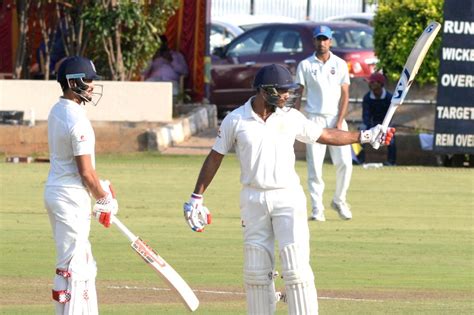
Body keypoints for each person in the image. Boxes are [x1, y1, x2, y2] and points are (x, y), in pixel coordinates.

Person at [182, 64, 394, 315]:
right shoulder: (236, 119)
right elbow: (215, 157)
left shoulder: (291, 117)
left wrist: (365, 136)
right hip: (252, 199)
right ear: (264, 91)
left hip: (287, 197)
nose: (286, 96)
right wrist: (197, 196)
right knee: (256, 272)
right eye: (281, 91)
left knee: (296, 269)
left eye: (287, 91)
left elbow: (325, 134)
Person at [44, 56, 119, 315]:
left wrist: (102, 188)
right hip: (71, 197)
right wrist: (104, 198)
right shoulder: (77, 121)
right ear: (73, 82)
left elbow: (79, 168)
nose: (91, 86)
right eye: (88, 80)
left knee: (78, 261)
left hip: (59, 191)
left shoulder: (58, 109)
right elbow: (85, 172)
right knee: (74, 266)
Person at [294, 25, 353, 222]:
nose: (322, 43)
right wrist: (294, 118)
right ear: (314, 41)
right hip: (314, 119)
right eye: (319, 39)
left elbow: (345, 94)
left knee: (345, 163)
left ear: (330, 41)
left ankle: (339, 200)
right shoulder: (305, 65)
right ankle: (317, 209)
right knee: (315, 167)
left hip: (336, 119)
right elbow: (298, 94)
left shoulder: (341, 64)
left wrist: (340, 121)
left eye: (325, 39)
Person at [361, 72, 397, 165]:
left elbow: (390, 114)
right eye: (370, 82)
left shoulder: (389, 98)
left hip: (386, 123)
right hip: (371, 123)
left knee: (391, 137)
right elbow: (366, 115)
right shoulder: (367, 97)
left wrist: (384, 127)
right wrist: (369, 128)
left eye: (373, 82)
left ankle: (391, 162)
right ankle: (359, 160)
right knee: (360, 131)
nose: (370, 84)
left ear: (380, 84)